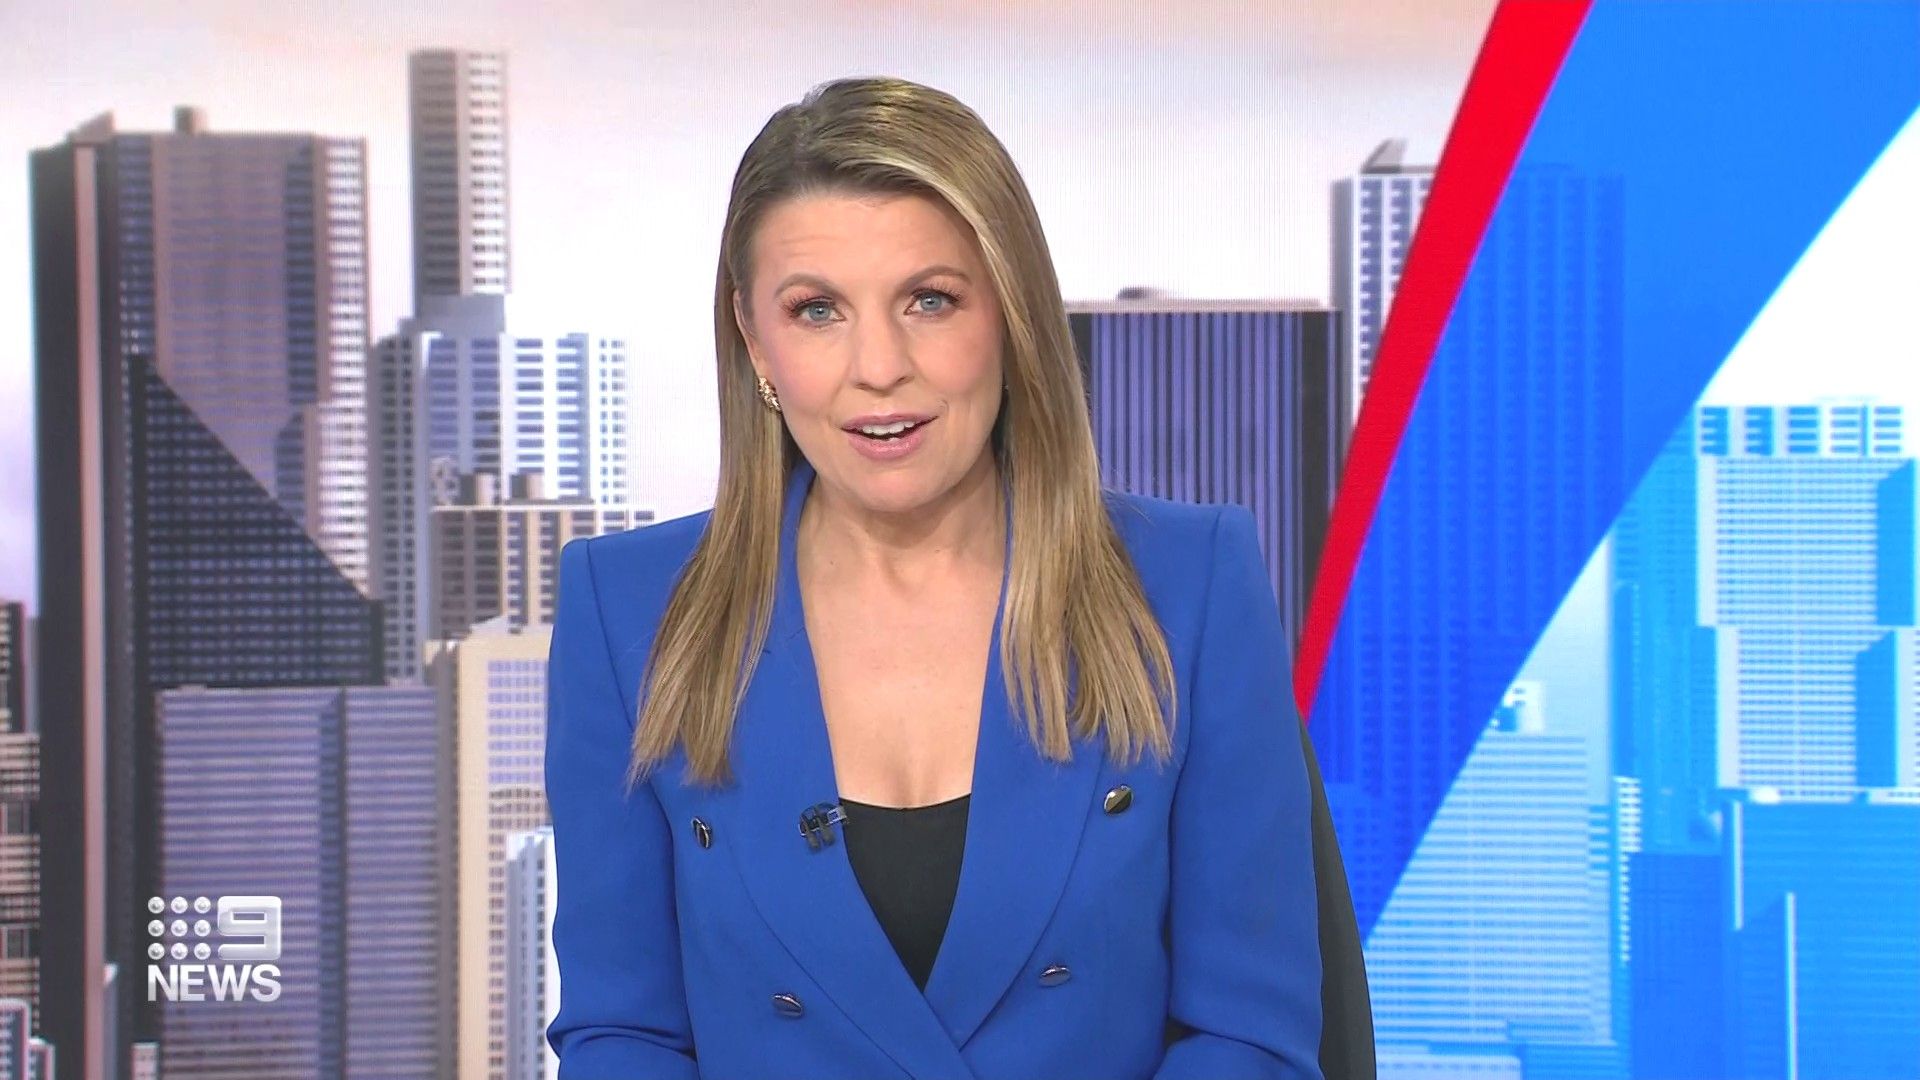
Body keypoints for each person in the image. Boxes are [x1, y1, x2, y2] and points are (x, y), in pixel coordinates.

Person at [543, 75, 1323, 1079]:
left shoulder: (1192, 585)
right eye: (817, 310)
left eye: (930, 300)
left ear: (1010, 313)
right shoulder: (625, 610)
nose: (879, 365)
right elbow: (624, 1033)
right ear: (754, 340)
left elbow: (1247, 1034)